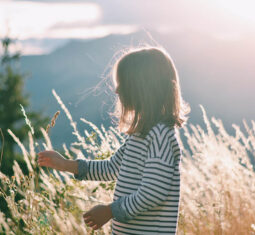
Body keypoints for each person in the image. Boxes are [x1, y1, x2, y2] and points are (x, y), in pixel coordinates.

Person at [37, 47, 189, 234]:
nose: (117, 90)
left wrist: (110, 211)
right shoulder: (140, 134)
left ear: (142, 88)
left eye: (123, 84)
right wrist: (66, 164)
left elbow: (152, 193)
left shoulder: (160, 136)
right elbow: (111, 168)